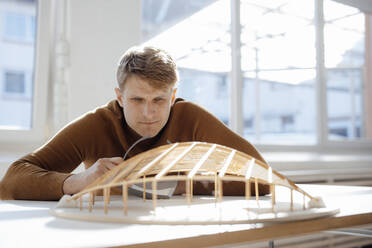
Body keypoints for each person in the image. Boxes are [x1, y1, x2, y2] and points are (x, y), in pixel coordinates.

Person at [0, 46, 269, 200]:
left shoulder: (190, 117)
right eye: (137, 99)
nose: (149, 113)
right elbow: (11, 180)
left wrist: (181, 185)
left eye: (159, 100)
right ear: (119, 96)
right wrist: (79, 181)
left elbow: (263, 177)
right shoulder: (98, 124)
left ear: (173, 96)